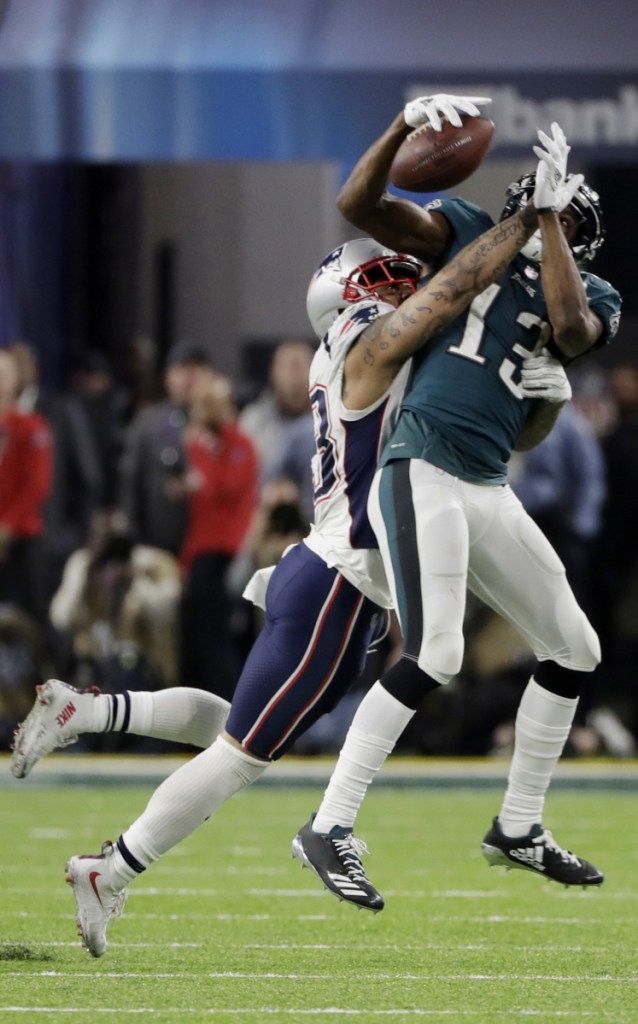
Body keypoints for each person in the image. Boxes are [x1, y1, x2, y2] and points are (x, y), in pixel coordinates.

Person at [11, 98, 564, 956]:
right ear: (364, 291)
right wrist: (526, 222)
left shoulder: (341, 347)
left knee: (239, 726)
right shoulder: (374, 345)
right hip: (343, 578)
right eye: (387, 271)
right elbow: (453, 288)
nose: (404, 272)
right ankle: (111, 868)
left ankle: (86, 709)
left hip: (329, 568)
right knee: (241, 755)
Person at [291, 105, 622, 909]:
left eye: (568, 210)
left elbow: (574, 326)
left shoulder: (588, 289)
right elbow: (361, 207)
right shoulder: (474, 233)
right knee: (436, 653)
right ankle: (329, 826)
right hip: (424, 466)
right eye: (550, 200)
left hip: (486, 485)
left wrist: (547, 220)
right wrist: (403, 128)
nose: (559, 214)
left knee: (576, 648)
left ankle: (518, 826)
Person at [175, 372, 260, 700]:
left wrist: (202, 455)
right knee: (194, 638)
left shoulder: (240, 445)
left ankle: (228, 708)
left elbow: (225, 489)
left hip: (225, 551)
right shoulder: (200, 445)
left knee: (217, 639)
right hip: (200, 551)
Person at [117, 339, 215, 556]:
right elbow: (130, 484)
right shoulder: (148, 424)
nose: (191, 376)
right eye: (183, 368)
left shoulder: (228, 427)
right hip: (160, 546)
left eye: (199, 368)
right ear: (167, 378)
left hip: (213, 550)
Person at [0, 348, 53, 622]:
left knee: (28, 623)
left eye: (4, 373)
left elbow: (36, 487)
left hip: (21, 542)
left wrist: (6, 528)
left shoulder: (32, 427)